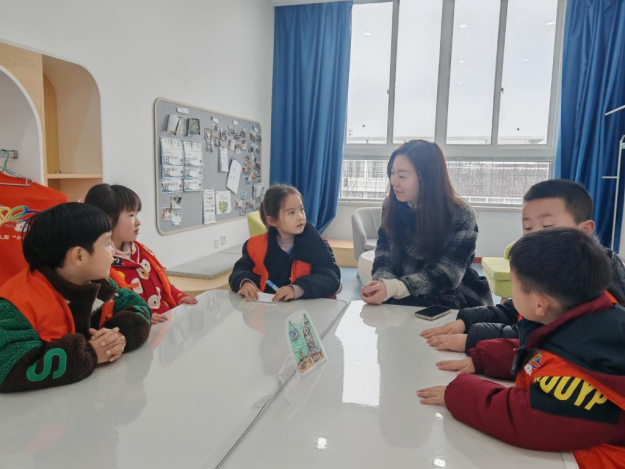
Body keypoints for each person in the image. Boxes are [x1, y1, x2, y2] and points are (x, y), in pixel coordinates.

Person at [418, 228, 625, 469]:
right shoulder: (592, 319)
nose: (510, 295)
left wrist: (460, 393)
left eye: (514, 286)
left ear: (539, 305)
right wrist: (485, 357)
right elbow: (547, 353)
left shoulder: (587, 371)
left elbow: (529, 418)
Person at [422, 179, 625, 353]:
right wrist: (467, 320)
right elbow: (517, 311)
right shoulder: (551, 267)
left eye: (547, 226)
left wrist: (473, 339)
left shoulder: (596, 292)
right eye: (528, 227)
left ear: (585, 230)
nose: (535, 235)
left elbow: (545, 340)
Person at [0, 203, 151, 392]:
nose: (113, 250)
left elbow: (137, 305)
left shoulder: (98, 284)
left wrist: (118, 336)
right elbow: (7, 368)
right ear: (79, 256)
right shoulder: (15, 304)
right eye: (107, 243)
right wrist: (91, 353)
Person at [361, 139, 491, 309]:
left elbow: (447, 275)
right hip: (399, 295)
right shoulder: (391, 205)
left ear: (427, 178)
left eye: (402, 176)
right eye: (392, 173)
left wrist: (395, 288)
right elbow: (384, 252)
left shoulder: (461, 214)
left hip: (448, 298)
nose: (393, 181)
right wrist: (383, 284)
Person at [85, 184, 198, 324]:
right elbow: (105, 311)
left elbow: (163, 286)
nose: (138, 222)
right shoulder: (99, 265)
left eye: (136, 215)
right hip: (138, 330)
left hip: (164, 323)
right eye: (131, 215)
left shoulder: (142, 251)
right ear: (107, 218)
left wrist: (179, 296)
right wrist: (140, 316)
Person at [229, 184, 341, 302]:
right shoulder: (254, 245)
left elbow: (331, 278)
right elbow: (240, 270)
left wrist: (298, 288)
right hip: (269, 309)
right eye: (291, 213)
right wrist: (245, 282)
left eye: (301, 209)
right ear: (272, 221)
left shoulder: (318, 245)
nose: (300, 217)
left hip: (307, 311)